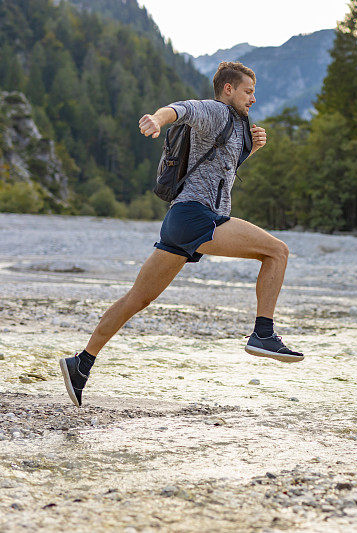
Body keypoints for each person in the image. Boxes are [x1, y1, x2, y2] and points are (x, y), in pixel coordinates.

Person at [59, 61, 303, 408]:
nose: (253, 99)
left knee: (137, 299)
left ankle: (81, 363)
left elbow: (219, 170)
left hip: (181, 219)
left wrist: (252, 148)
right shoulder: (215, 111)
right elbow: (182, 109)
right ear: (229, 89)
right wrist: (157, 119)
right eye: (248, 91)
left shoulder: (235, 126)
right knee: (277, 251)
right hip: (197, 216)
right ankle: (263, 333)